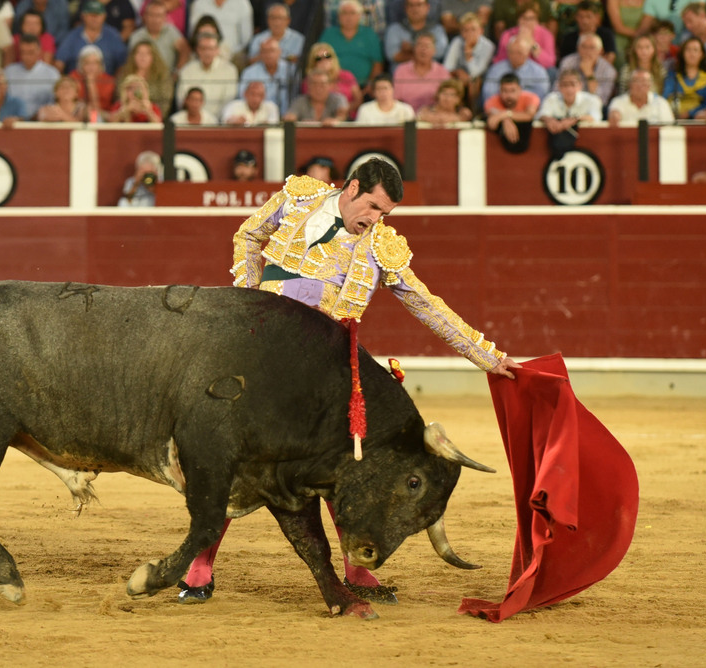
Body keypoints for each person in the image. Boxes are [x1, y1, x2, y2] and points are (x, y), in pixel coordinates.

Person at [176, 158, 520, 604]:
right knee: (235, 461)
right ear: (354, 187)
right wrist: (248, 295)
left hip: (324, 375)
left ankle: (356, 568)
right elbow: (248, 235)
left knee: (341, 468)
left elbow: (426, 304)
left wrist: (487, 356)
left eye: (386, 215)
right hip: (259, 360)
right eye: (373, 207)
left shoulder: (381, 247)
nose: (375, 220)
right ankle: (200, 566)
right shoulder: (299, 198)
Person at [319, 0, 384, 91]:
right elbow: (322, 57)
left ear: (359, 16)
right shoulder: (329, 35)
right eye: (344, 13)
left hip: (364, 87)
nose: (348, 17)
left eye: (352, 13)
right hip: (334, 86)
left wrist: (370, 85)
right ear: (338, 16)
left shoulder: (369, 35)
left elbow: (377, 63)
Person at [55, 1, 128, 76]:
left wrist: (114, 83)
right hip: (76, 83)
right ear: (83, 16)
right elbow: (59, 63)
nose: (94, 18)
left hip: (106, 84)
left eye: (98, 15)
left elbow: (123, 64)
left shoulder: (113, 36)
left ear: (104, 16)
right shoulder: (72, 36)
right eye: (91, 15)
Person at [175, 31, 238, 118]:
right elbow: (182, 100)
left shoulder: (229, 70)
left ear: (217, 50)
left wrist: (212, 120)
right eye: (203, 48)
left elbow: (228, 102)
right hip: (193, 121)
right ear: (198, 50)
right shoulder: (187, 70)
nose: (207, 53)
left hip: (219, 122)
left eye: (211, 48)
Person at [442, 12, 495, 111]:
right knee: (454, 82)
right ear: (461, 32)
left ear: (481, 31)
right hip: (459, 77)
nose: (470, 33)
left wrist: (468, 54)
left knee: (474, 83)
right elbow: (447, 67)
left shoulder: (488, 46)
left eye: (473, 29)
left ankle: (475, 112)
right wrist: (458, 72)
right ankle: (457, 111)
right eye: (466, 30)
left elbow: (475, 72)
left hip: (481, 79)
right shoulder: (457, 42)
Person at [480, 35, 551, 104]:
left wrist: (519, 100)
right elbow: (488, 92)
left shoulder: (539, 72)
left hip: (528, 111)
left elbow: (542, 94)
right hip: (500, 109)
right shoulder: (496, 70)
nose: (515, 56)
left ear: (527, 53)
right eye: (512, 52)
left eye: (519, 53)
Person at [5, 34, 60, 119]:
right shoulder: (9, 72)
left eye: (31, 52)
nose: (26, 57)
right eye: (23, 52)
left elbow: (54, 102)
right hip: (13, 120)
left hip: (41, 121)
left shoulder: (51, 73)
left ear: (39, 51)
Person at [384, 0, 449, 72]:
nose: (415, 9)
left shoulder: (437, 30)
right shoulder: (394, 29)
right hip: (401, 79)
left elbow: (440, 52)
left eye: (419, 5)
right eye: (411, 5)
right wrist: (425, 52)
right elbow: (393, 55)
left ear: (427, 7)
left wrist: (411, 48)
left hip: (432, 78)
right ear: (405, 8)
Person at [303, 42, 363, 119]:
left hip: (348, 118)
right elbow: (309, 103)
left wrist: (342, 111)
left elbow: (358, 99)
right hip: (320, 120)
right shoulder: (309, 80)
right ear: (313, 62)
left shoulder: (346, 76)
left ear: (333, 58)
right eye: (318, 58)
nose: (324, 60)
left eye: (327, 56)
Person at [393, 33, 450, 112]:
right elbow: (397, 100)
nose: (423, 49)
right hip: (406, 115)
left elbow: (448, 99)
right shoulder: (401, 70)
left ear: (434, 51)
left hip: (434, 115)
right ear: (414, 49)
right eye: (420, 45)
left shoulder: (442, 72)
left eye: (427, 46)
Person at [663, 36, 706, 119]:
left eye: (695, 50)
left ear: (702, 54)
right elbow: (664, 98)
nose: (691, 54)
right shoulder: (672, 76)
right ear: (682, 53)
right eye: (688, 50)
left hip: (698, 122)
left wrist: (690, 113)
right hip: (671, 118)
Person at [558, 33, 617, 109]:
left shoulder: (609, 70)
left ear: (600, 51)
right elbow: (557, 90)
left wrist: (589, 74)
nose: (587, 51)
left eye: (592, 48)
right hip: (567, 104)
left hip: (592, 107)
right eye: (584, 47)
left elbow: (601, 100)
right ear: (578, 48)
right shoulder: (567, 62)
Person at [129, 0, 190, 73]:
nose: (155, 20)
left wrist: (177, 72)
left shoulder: (171, 32)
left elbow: (185, 50)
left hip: (167, 79)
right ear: (145, 17)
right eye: (151, 15)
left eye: (159, 16)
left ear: (164, 18)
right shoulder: (136, 36)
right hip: (143, 79)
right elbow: (131, 63)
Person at [116, 39, 174, 116]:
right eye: (139, 53)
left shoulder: (162, 76)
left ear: (153, 57)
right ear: (133, 56)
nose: (142, 57)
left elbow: (165, 102)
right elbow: (118, 98)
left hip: (154, 119)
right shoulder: (124, 75)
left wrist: (150, 113)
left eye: (147, 53)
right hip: (127, 117)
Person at [493, 1, 557, 71]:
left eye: (531, 19)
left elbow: (550, 63)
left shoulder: (546, 35)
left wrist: (533, 45)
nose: (527, 22)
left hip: (537, 71)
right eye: (524, 18)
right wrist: (515, 45)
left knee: (552, 71)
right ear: (518, 20)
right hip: (513, 70)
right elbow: (499, 61)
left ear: (537, 20)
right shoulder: (508, 34)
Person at [484, 72, 540, 149]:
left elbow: (529, 115)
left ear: (520, 89)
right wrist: (505, 120)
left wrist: (505, 115)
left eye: (512, 91)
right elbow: (492, 123)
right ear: (499, 90)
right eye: (505, 91)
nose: (509, 95)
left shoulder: (531, 98)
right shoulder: (491, 101)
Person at [187, 0, 254, 64]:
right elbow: (193, 34)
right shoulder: (199, 3)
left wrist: (228, 53)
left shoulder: (242, 3)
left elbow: (246, 39)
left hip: (233, 55)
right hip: (203, 52)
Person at [239, 37, 294, 114]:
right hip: (260, 116)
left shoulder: (291, 70)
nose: (268, 55)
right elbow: (243, 96)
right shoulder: (249, 72)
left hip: (287, 115)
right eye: (264, 51)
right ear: (260, 54)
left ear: (279, 52)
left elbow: (297, 94)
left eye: (272, 51)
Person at [607, 68, 676, 126]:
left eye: (644, 81)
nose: (640, 85)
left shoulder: (661, 103)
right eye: (636, 81)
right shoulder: (618, 102)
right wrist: (614, 116)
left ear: (650, 85)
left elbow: (669, 128)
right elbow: (613, 116)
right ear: (629, 84)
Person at [557, 0, 617, 65]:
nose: (585, 21)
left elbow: (610, 57)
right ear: (576, 17)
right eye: (581, 17)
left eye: (588, 16)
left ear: (597, 17)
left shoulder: (606, 34)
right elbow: (565, 61)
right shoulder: (568, 38)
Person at [68, 44, 116, 121]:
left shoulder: (108, 80)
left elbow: (96, 107)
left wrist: (91, 84)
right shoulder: (73, 77)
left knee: (94, 114)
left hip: (102, 116)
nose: (91, 67)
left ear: (100, 65)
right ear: (81, 65)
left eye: (95, 63)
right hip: (78, 115)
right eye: (87, 63)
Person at [284, 69, 350, 124]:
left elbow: (342, 114)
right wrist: (291, 119)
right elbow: (290, 116)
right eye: (314, 84)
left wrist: (335, 120)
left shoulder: (338, 99)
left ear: (330, 86)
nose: (318, 89)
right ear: (308, 86)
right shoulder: (300, 101)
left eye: (322, 85)